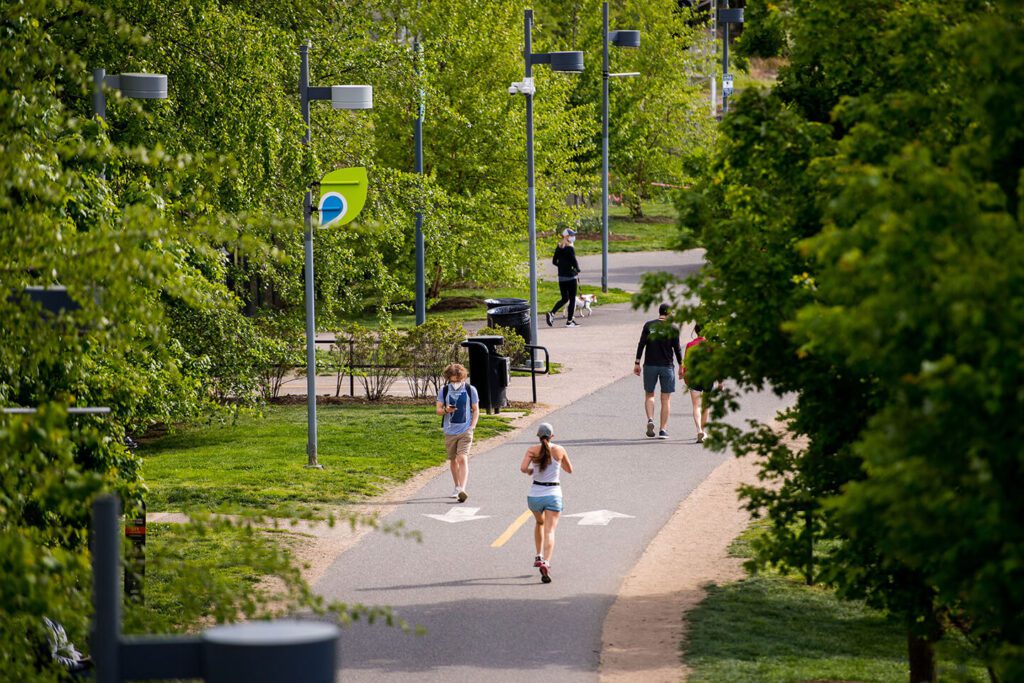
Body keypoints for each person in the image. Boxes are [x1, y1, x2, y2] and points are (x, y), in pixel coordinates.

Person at [520, 422, 573, 584]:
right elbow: (569, 469)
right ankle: (546, 562)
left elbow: (523, 468)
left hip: (534, 495)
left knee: (539, 523)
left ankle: (538, 555)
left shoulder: (532, 450)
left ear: (538, 436)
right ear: (552, 436)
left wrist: (531, 471)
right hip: (553, 494)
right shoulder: (559, 450)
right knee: (550, 531)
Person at [633, 303, 683, 439]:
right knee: (665, 399)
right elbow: (677, 349)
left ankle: (650, 419)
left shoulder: (649, 325)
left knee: (650, 395)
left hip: (650, 365)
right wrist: (681, 366)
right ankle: (663, 430)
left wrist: (637, 362)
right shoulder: (673, 328)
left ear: (659, 312)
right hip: (667, 366)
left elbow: (641, 344)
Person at [435, 363, 478, 502]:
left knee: (462, 458)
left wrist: (472, 426)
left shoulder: (470, 389)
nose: (455, 383)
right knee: (453, 460)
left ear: (463, 377)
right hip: (449, 430)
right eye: (452, 380)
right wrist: (447, 410)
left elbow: (475, 409)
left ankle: (462, 489)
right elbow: (438, 411)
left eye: (458, 380)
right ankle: (456, 485)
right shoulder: (444, 390)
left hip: (465, 430)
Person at [683, 323, 715, 443]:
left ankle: (698, 431)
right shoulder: (711, 345)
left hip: (694, 377)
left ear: (695, 331)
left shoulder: (690, 345)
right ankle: (703, 430)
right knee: (706, 405)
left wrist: (686, 376)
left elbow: (686, 363)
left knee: (696, 405)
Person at [547, 228, 581, 328]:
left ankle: (552, 313)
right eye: (571, 235)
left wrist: (562, 267)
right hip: (571, 277)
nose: (573, 237)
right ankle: (569, 321)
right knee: (572, 299)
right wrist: (577, 269)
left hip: (561, 277)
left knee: (564, 298)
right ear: (566, 236)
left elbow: (554, 261)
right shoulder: (570, 248)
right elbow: (574, 261)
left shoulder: (559, 247)